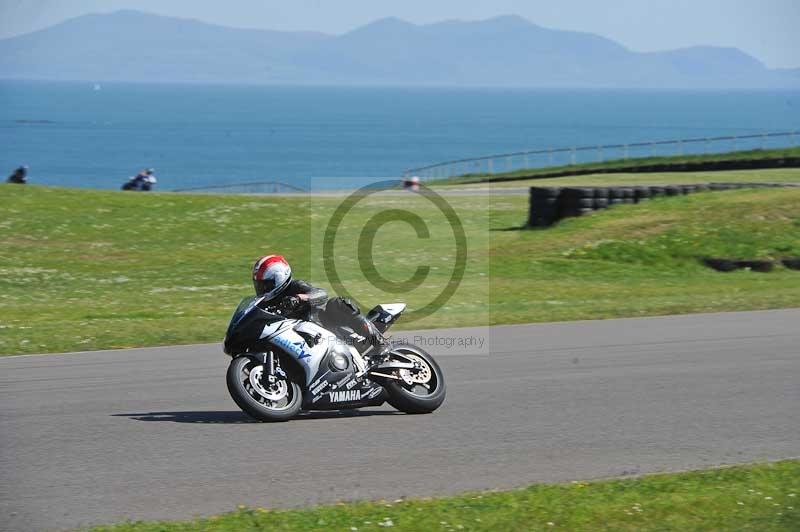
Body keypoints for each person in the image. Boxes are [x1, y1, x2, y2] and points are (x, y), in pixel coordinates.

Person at [251, 255, 386, 354]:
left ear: (279, 278)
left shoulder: (295, 286)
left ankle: (379, 341)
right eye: (260, 285)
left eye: (267, 284)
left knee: (337, 304)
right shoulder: (266, 304)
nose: (263, 289)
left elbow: (322, 294)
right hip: (301, 344)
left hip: (325, 329)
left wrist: (300, 298)